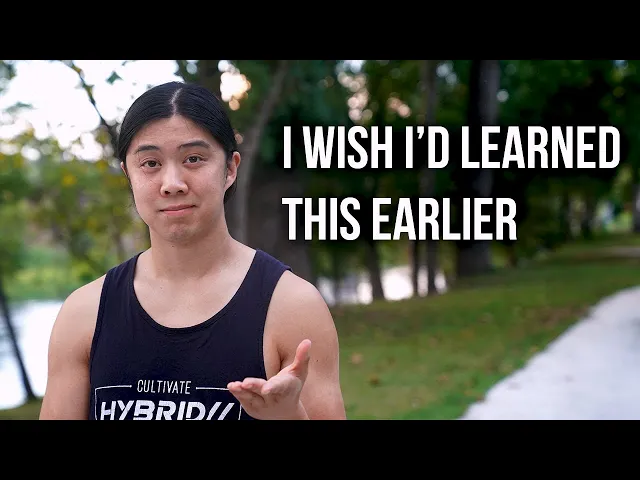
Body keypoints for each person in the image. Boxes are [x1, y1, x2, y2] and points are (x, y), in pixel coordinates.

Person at [39, 81, 346, 420]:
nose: (172, 183)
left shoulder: (293, 308)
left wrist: (289, 416)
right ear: (128, 174)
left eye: (193, 159)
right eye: (150, 163)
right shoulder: (84, 314)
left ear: (230, 168)